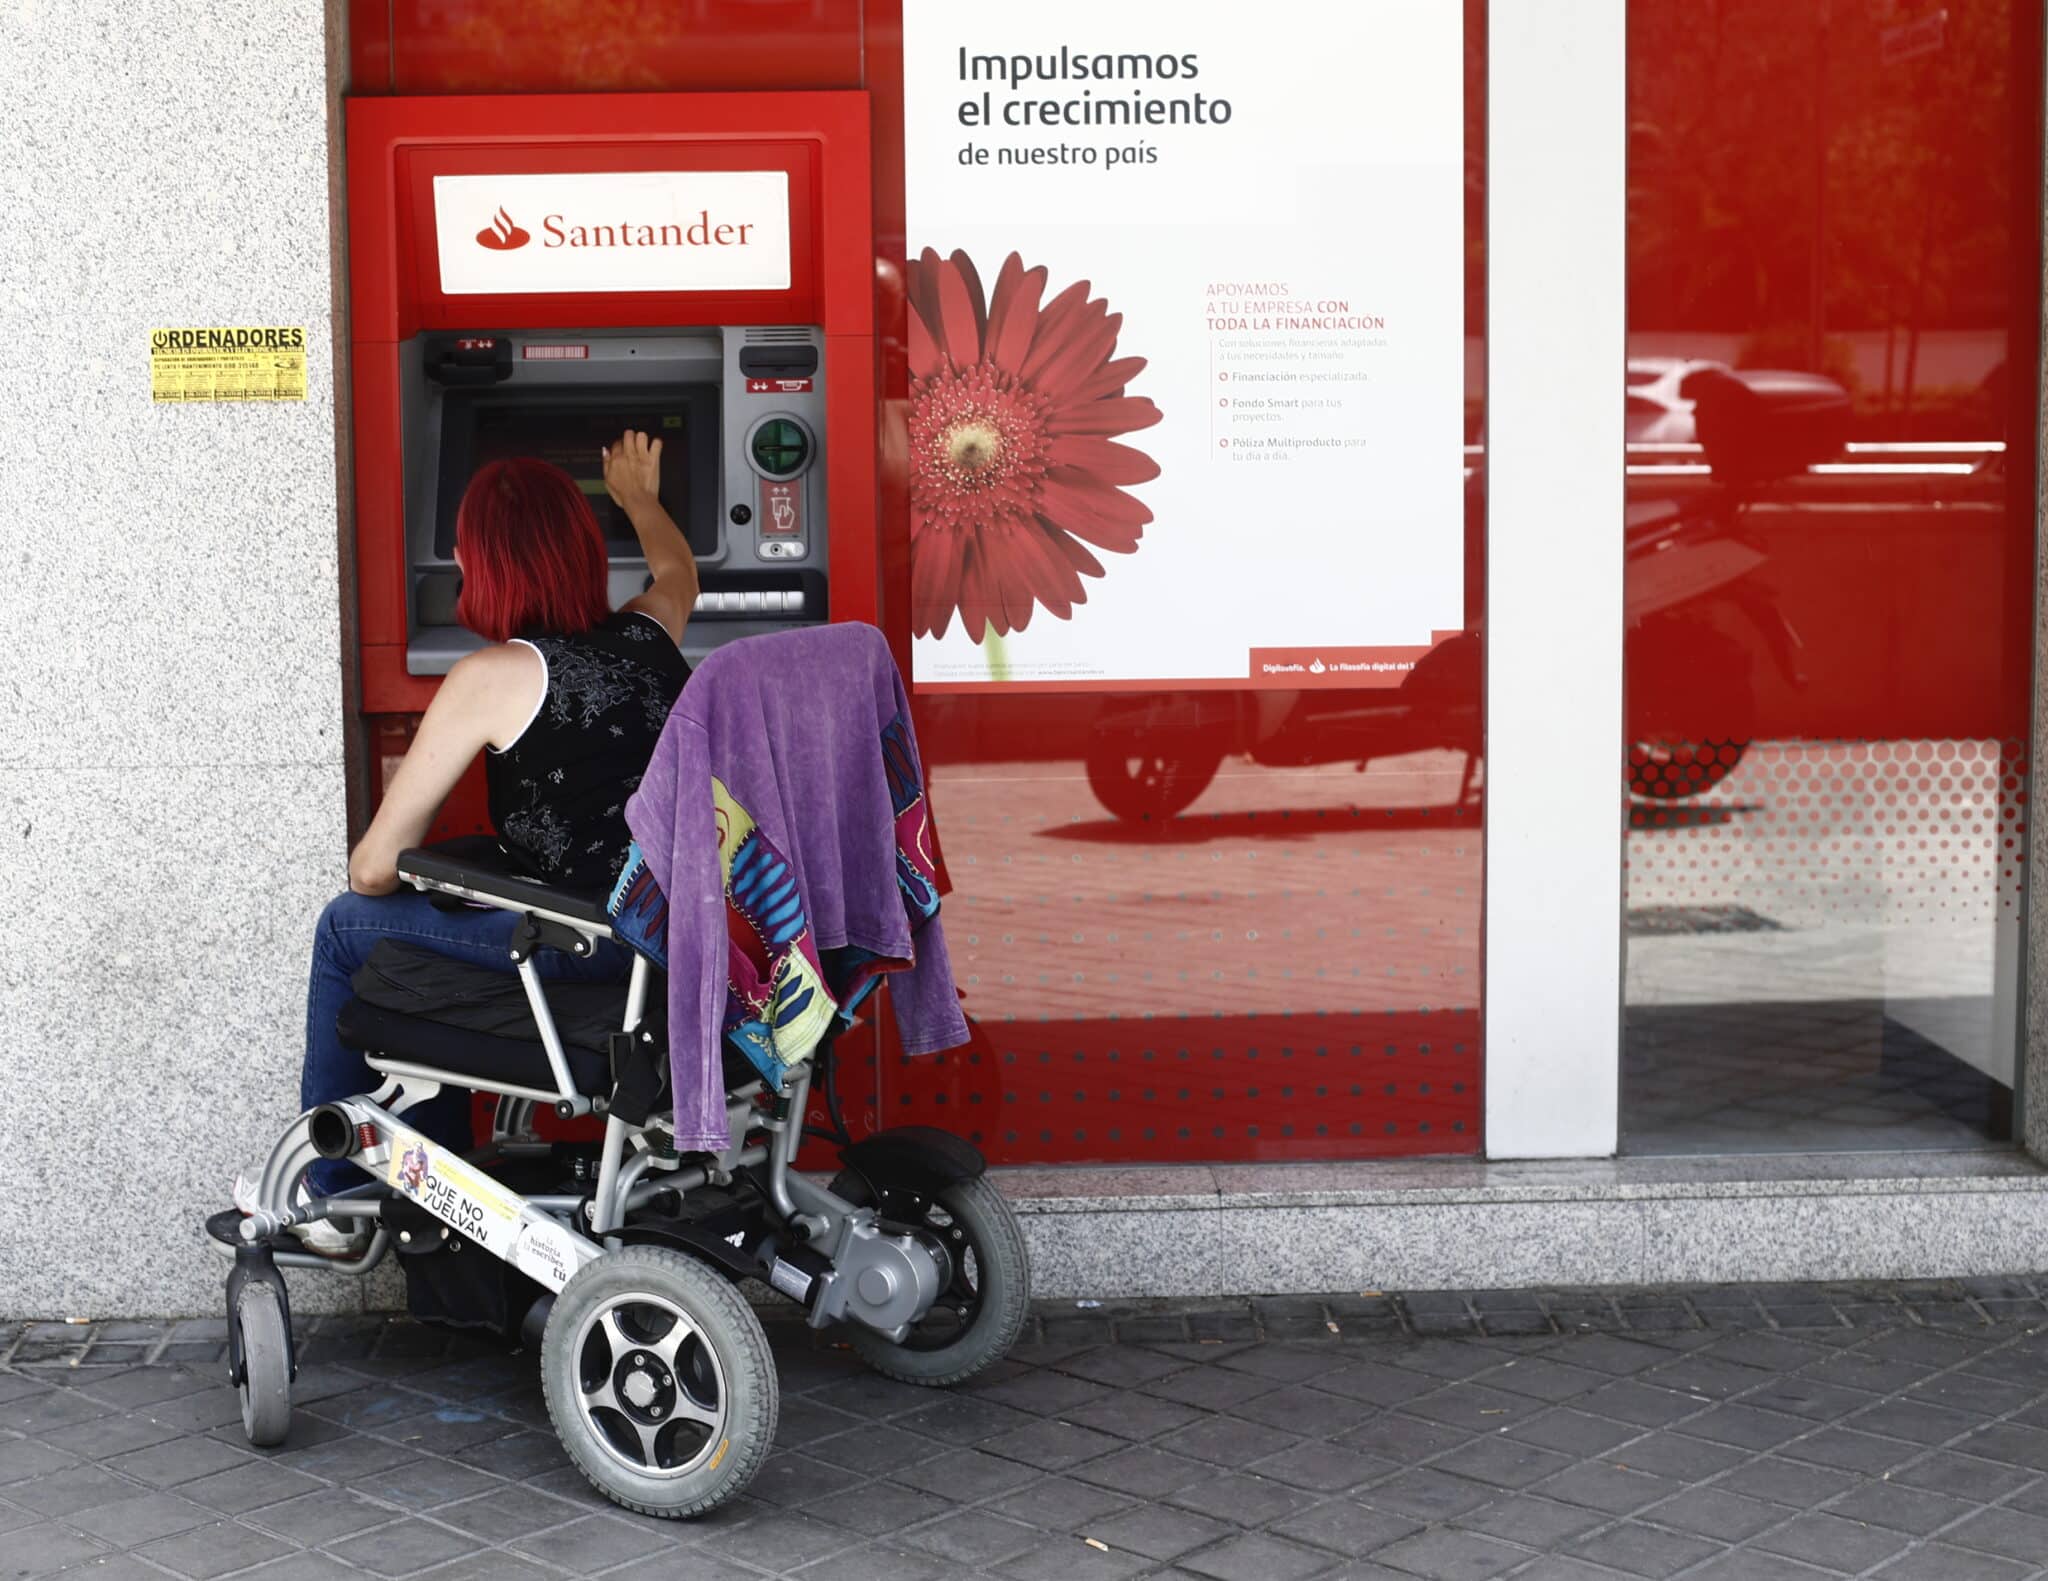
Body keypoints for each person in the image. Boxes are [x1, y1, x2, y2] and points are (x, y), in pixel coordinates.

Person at [248, 430, 697, 1253]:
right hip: (668, 937)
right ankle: (435, 1170)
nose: (452, 554)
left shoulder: (492, 676)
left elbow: (374, 865)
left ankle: (335, 1188)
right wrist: (640, 497)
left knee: (346, 924)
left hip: (588, 943)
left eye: (463, 545)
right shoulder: (650, 635)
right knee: (442, 915)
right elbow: (679, 574)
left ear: (485, 565)